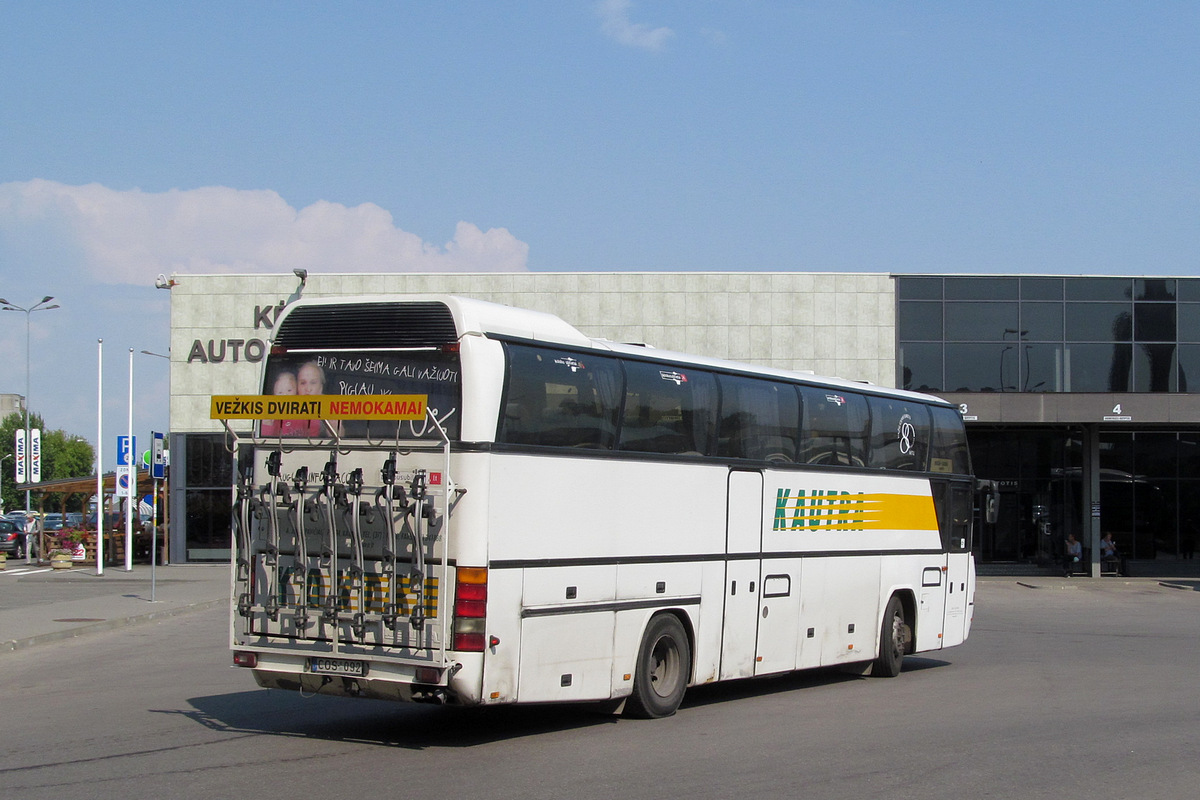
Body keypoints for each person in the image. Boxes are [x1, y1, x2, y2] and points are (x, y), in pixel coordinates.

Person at [260, 370, 297, 437]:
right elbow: (265, 438)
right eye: (280, 392)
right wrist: (267, 423)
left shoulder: (304, 413)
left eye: (289, 390)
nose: (285, 395)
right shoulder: (273, 415)